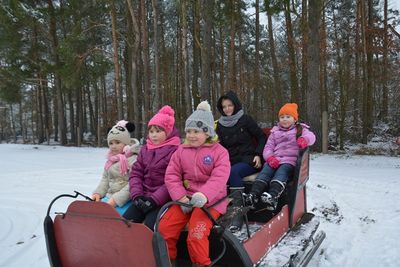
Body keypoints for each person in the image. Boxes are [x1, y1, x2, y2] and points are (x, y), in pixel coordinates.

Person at [159, 101, 230, 267]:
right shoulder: (181, 151)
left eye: (196, 131)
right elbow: (172, 175)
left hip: (211, 201)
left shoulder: (219, 152)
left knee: (196, 234)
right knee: (164, 229)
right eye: (188, 131)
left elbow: (219, 178)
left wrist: (204, 195)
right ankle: (168, 262)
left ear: (207, 133)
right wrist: (181, 197)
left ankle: (201, 264)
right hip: (186, 198)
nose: (191, 135)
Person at [245, 103, 316, 210]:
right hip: (275, 159)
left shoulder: (300, 129)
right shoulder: (275, 132)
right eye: (282, 117)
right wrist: (269, 158)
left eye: (288, 117)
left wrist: (304, 140)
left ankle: (273, 196)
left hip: (289, 161)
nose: (285, 119)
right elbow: (268, 147)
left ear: (295, 119)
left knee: (281, 172)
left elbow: (311, 137)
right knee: (265, 171)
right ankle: (253, 195)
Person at [215, 90, 267, 232]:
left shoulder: (245, 119)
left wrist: (258, 154)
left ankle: (238, 213)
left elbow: (262, 137)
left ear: (235, 105)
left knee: (233, 172)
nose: (227, 109)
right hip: (230, 160)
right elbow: (219, 146)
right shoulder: (219, 125)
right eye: (224, 107)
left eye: (230, 105)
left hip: (249, 159)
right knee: (218, 173)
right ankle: (218, 212)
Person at [123, 105, 180, 230]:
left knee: (149, 226)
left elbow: (173, 180)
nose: (153, 135)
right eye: (151, 131)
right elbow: (136, 174)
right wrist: (137, 195)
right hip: (142, 196)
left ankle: (148, 249)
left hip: (162, 200)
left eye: (158, 131)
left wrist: (154, 200)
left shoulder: (176, 151)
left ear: (168, 132)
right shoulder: (145, 149)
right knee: (125, 222)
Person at [92, 120, 140, 215]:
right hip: (109, 197)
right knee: (93, 214)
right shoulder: (111, 160)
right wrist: (98, 193)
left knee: (112, 218)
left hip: (126, 200)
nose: (114, 146)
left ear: (126, 143)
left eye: (117, 142)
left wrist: (116, 200)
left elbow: (133, 185)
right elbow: (105, 180)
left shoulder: (133, 160)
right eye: (111, 143)